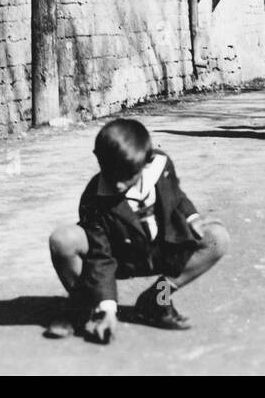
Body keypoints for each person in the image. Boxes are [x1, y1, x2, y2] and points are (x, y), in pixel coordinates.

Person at [45, 118, 229, 342]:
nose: (119, 185)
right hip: (120, 257)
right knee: (63, 239)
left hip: (162, 250)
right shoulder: (95, 198)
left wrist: (193, 217)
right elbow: (100, 256)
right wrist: (109, 310)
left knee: (217, 238)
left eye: (126, 178)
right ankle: (84, 306)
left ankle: (156, 301)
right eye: (111, 176)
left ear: (145, 163)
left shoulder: (161, 165)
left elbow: (176, 196)